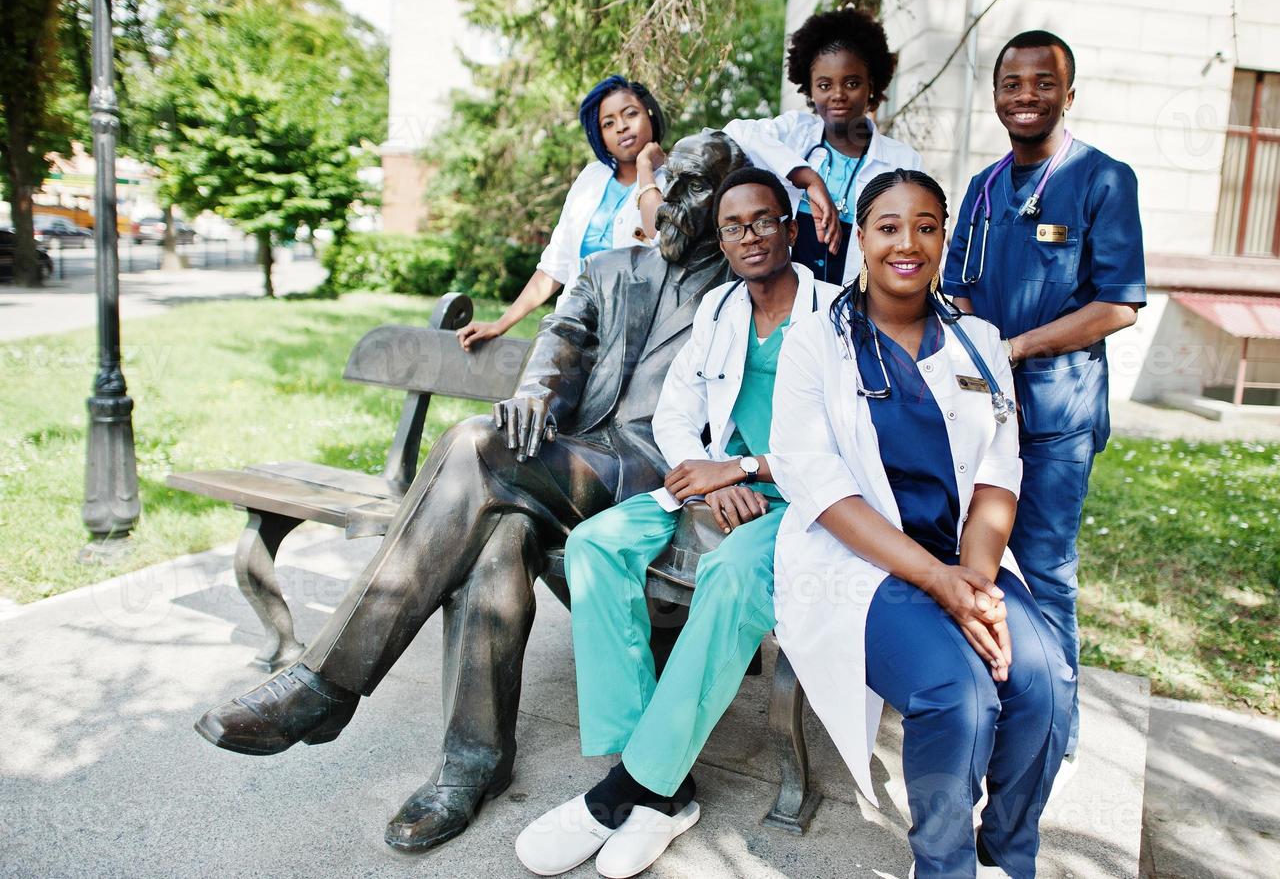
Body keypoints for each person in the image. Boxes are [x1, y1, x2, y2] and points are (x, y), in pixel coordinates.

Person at [192, 130, 747, 854]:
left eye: (696, 187)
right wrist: (536, 398)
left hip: (651, 479)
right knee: (501, 534)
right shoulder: (611, 268)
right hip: (572, 461)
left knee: (468, 446)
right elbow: (560, 342)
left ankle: (324, 686)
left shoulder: (742, 283)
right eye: (671, 181)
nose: (675, 198)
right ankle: (472, 762)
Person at [514, 167, 840, 878]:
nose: (748, 236)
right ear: (720, 241)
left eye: (762, 221)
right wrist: (701, 479)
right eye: (732, 226)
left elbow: (846, 443)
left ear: (792, 227)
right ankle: (668, 787)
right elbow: (674, 412)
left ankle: (625, 791)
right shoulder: (720, 309)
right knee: (595, 544)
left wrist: (747, 470)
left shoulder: (839, 315)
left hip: (800, 500)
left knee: (729, 576)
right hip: (710, 489)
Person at [769, 170, 1070, 879]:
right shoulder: (815, 344)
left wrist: (973, 581)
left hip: (966, 559)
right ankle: (942, 864)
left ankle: (1004, 852)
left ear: (943, 237)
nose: (907, 242)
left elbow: (1001, 470)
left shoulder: (979, 343)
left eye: (926, 226)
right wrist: (940, 582)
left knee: (1043, 683)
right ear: (862, 238)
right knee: (955, 694)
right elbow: (821, 485)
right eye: (888, 226)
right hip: (860, 563)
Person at [941, 30, 1146, 766]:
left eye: (1040, 82)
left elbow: (1118, 304)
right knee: (978, 564)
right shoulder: (984, 186)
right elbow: (955, 287)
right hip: (981, 413)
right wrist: (965, 341)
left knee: (1046, 570)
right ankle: (997, 703)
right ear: (995, 94)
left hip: (1055, 418)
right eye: (1010, 84)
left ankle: (1053, 732)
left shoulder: (1101, 179)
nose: (1024, 96)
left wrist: (1015, 349)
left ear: (1066, 91)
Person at [457, 75, 669, 347]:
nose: (621, 127)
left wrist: (645, 169)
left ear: (651, 115)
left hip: (636, 334)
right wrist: (501, 324)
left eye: (631, 114)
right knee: (546, 378)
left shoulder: (673, 179)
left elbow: (659, 236)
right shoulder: (591, 178)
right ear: (600, 136)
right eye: (608, 123)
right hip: (575, 324)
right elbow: (555, 264)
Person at [723, 7, 923, 286]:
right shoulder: (795, 133)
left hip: (857, 308)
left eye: (852, 83)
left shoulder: (902, 160)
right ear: (809, 88)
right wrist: (807, 178)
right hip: (788, 304)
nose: (838, 95)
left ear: (872, 85)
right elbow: (733, 133)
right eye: (824, 85)